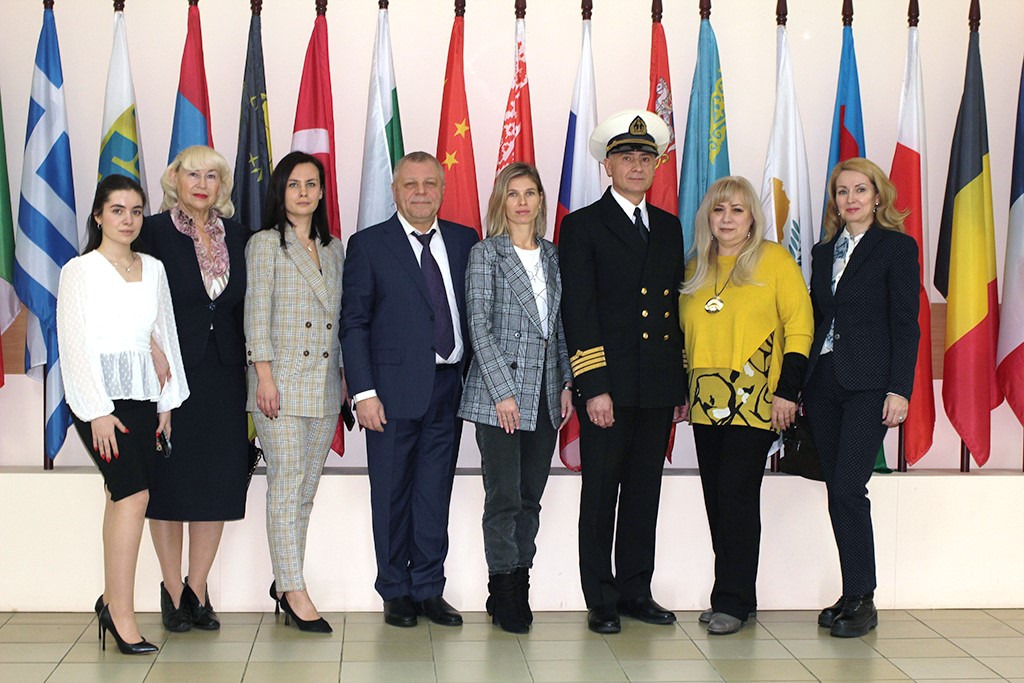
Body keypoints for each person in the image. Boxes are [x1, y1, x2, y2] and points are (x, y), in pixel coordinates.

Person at [559, 111, 688, 634]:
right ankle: (601, 597)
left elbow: (673, 311)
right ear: (607, 166)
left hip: (655, 385)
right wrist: (593, 387)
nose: (637, 165)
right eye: (626, 157)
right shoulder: (582, 225)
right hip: (608, 386)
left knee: (642, 493)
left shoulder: (669, 227)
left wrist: (678, 383)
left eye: (645, 157)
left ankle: (637, 589)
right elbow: (580, 311)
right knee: (600, 495)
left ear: (656, 166)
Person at [341, 151, 478, 628]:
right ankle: (395, 589)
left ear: (442, 189)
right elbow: (354, 323)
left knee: (434, 493)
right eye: (410, 184)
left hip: (449, 387)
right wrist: (363, 393)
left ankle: (428, 588)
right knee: (392, 494)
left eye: (429, 183)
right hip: (390, 394)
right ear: (395, 190)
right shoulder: (369, 244)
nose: (421, 192)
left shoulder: (464, 240)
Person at [57, 174, 189, 654]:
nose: (128, 219)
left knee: (121, 498)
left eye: (136, 211)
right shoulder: (80, 270)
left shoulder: (153, 268)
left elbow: (165, 333)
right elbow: (74, 344)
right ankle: (123, 617)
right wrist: (96, 411)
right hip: (98, 403)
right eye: (117, 210)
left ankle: (111, 602)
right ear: (98, 216)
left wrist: (167, 402)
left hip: (142, 398)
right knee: (134, 497)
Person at [678, 176, 813, 635]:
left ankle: (731, 601)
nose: (727, 218)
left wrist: (788, 392)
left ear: (752, 217)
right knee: (717, 501)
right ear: (707, 217)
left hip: (756, 399)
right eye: (719, 210)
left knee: (736, 499)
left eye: (737, 209)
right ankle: (738, 595)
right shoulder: (695, 266)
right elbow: (684, 337)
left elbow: (800, 328)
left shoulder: (774, 261)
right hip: (705, 400)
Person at [803, 157, 920, 638]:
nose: (850, 199)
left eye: (859, 190)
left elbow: (906, 322)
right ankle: (851, 592)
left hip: (870, 385)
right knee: (838, 489)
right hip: (824, 384)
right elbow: (816, 319)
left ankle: (863, 599)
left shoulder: (896, 247)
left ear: (877, 197)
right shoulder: (822, 252)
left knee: (850, 487)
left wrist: (900, 388)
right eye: (842, 191)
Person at [457, 163, 574, 633]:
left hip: (545, 396)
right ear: (500, 201)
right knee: (503, 498)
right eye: (513, 193)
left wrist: (566, 383)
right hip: (498, 398)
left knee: (530, 498)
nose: (522, 202)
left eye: (530, 193)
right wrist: (502, 392)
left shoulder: (553, 256)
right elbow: (478, 326)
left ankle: (518, 582)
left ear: (541, 200)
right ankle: (505, 591)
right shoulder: (486, 253)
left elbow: (559, 327)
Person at [139, 145, 249, 633]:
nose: (202, 184)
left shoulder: (240, 235)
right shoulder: (152, 231)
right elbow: (126, 292)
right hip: (168, 378)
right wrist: (150, 346)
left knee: (215, 482)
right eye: (192, 175)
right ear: (174, 180)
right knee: (170, 483)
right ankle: (171, 589)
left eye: (212, 176)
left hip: (224, 375)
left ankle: (198, 590)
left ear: (222, 184)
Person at [245, 152, 346, 633]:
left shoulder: (334, 249)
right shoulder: (266, 243)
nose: (303, 193)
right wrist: (263, 376)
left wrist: (343, 376)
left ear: (322, 192)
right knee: (286, 486)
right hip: (280, 385)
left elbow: (340, 320)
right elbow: (255, 314)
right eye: (293, 184)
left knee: (305, 491)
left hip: (324, 387)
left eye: (311, 184)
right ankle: (294, 587)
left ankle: (286, 580)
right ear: (280, 192)